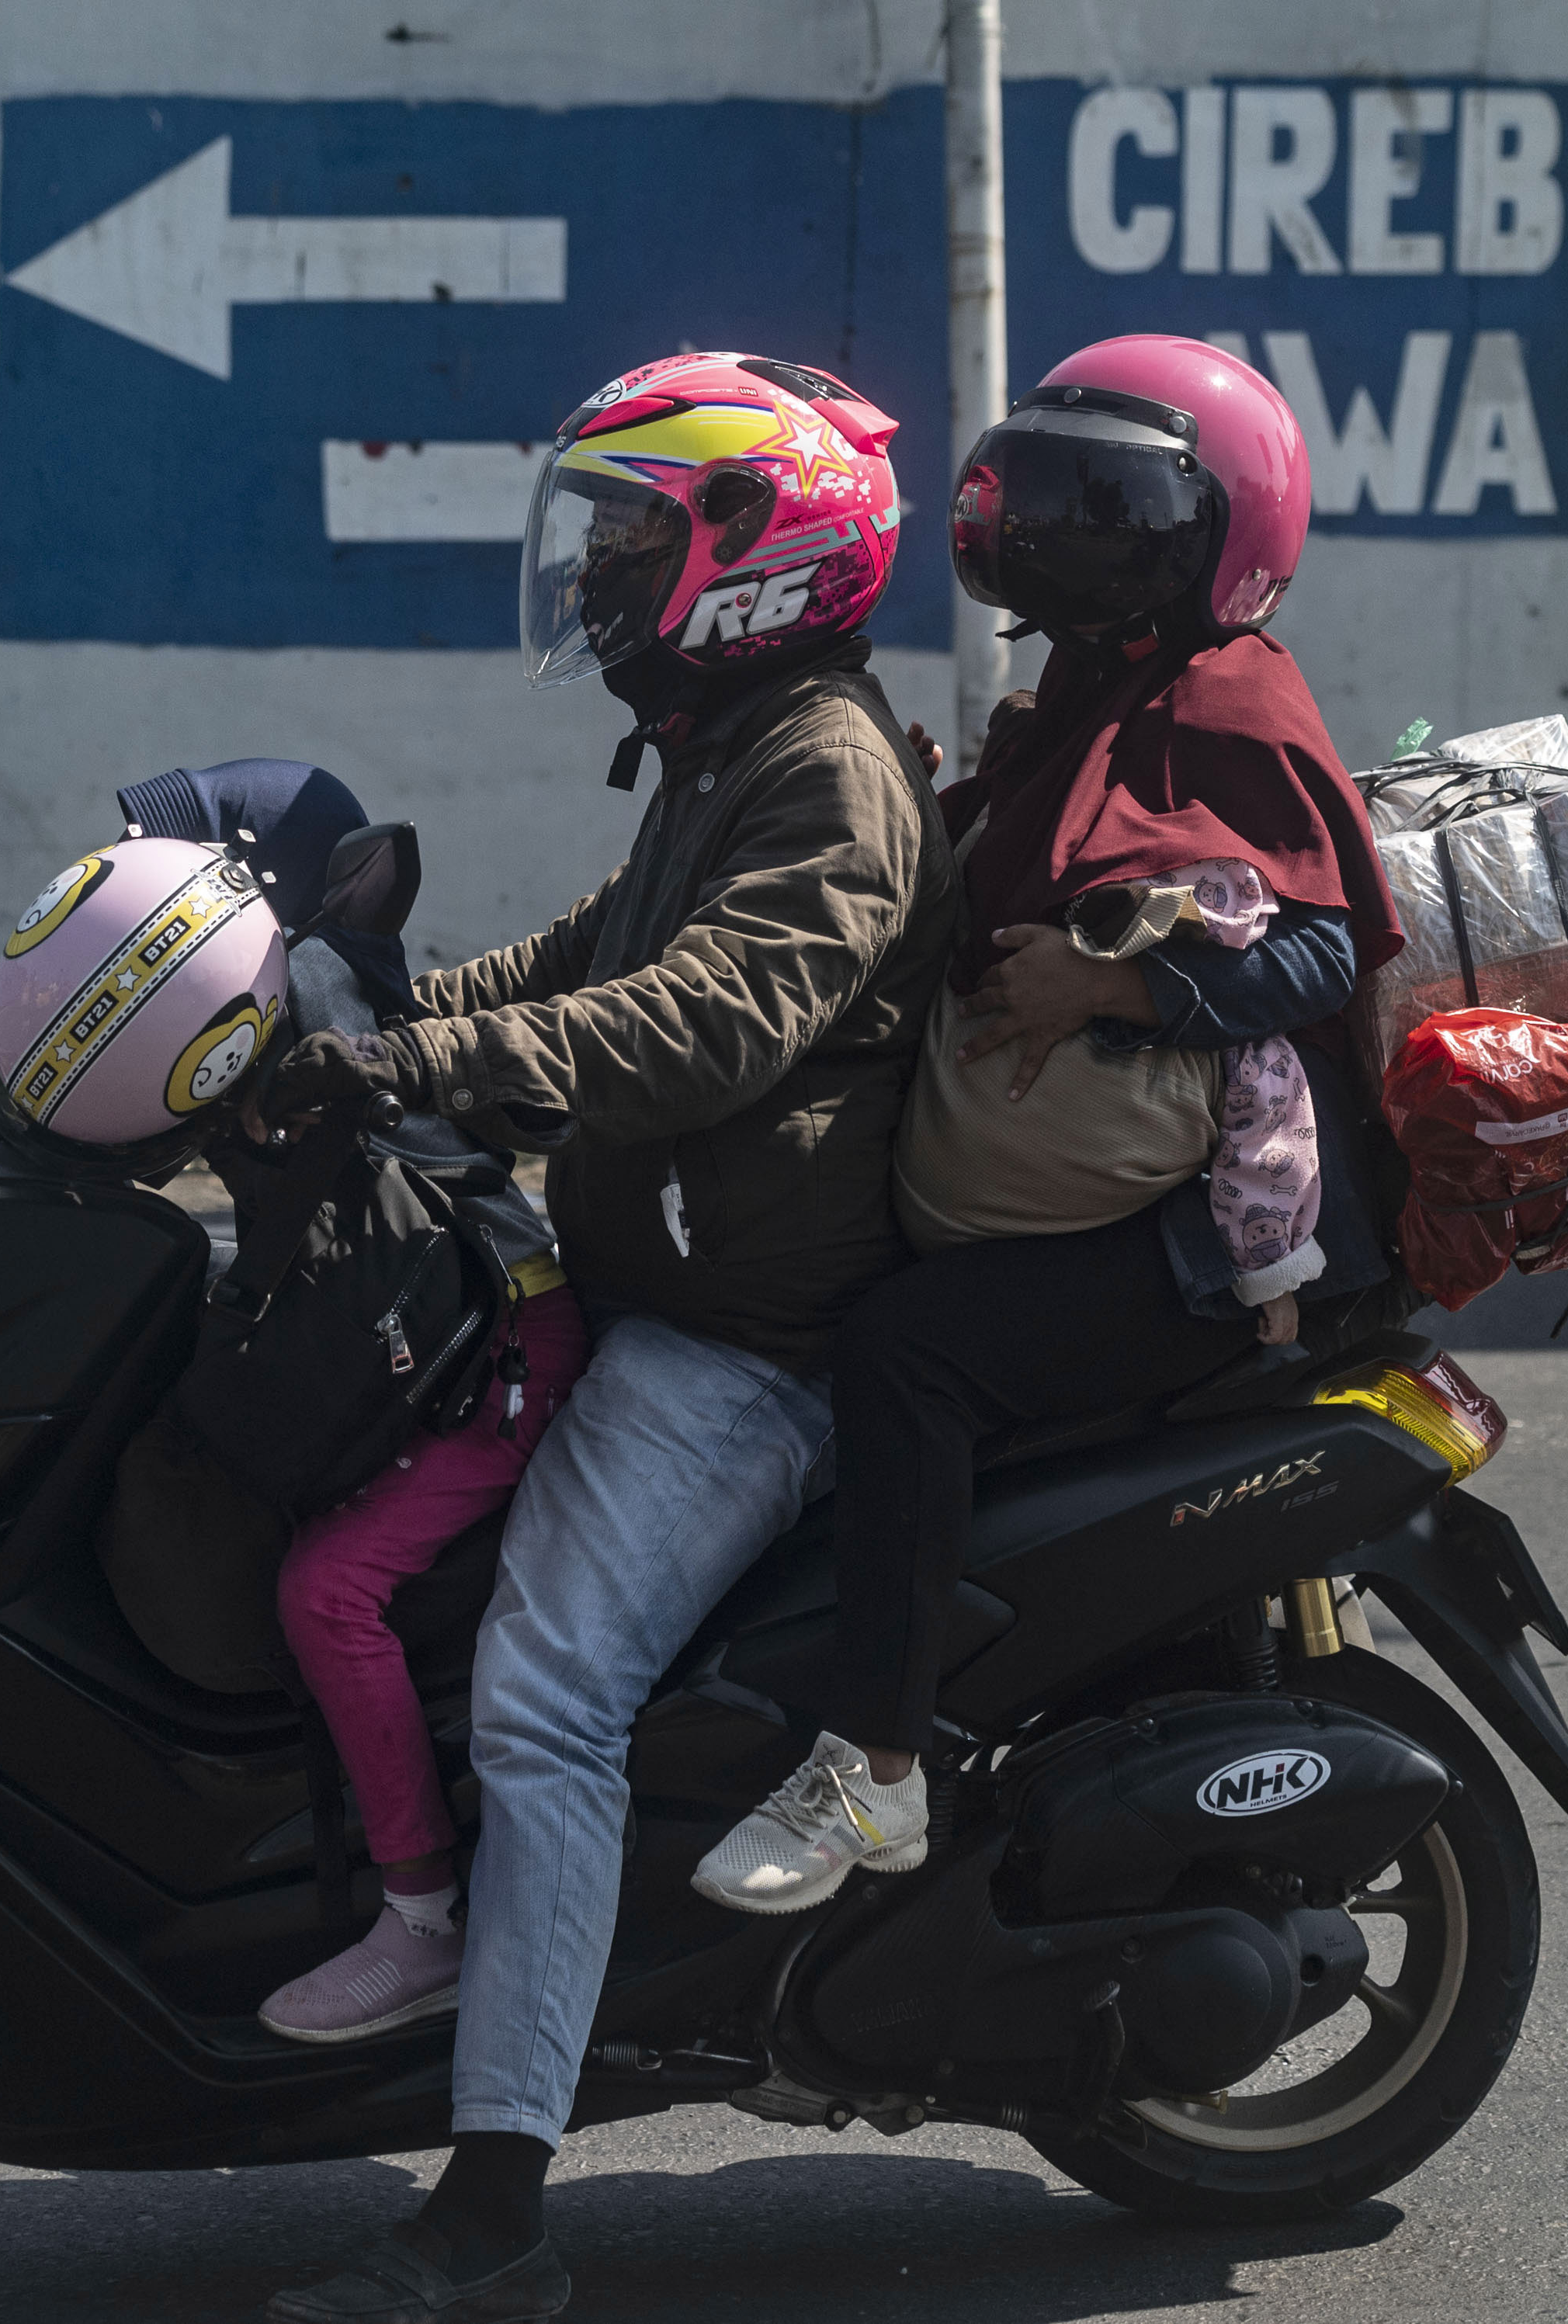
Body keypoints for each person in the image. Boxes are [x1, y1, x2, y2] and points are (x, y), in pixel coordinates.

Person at [253, 353, 959, 2324]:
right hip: (650, 1280)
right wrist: (325, 1033)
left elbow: (715, 1015)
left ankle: (492, 2212)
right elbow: (583, 957)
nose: (599, 574)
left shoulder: (824, 765)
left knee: (547, 1691)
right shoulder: (722, 748)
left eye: (635, 537)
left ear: (755, 555)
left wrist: (433, 1064)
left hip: (750, 1346)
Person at [689, 335, 1408, 1916]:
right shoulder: (1093, 693)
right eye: (1054, 503)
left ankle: (872, 1767)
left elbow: (1323, 948)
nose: (1064, 544)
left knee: (907, 1355)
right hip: (1079, 1193)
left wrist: (1118, 999)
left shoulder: (1226, 699)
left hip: (1207, 1242)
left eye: (1116, 511)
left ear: (1218, 543)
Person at [109, 758, 591, 2045]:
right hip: (416, 1329)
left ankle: (424, 1914)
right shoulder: (301, 980)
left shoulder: (299, 988)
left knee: (324, 1590)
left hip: (502, 1346)